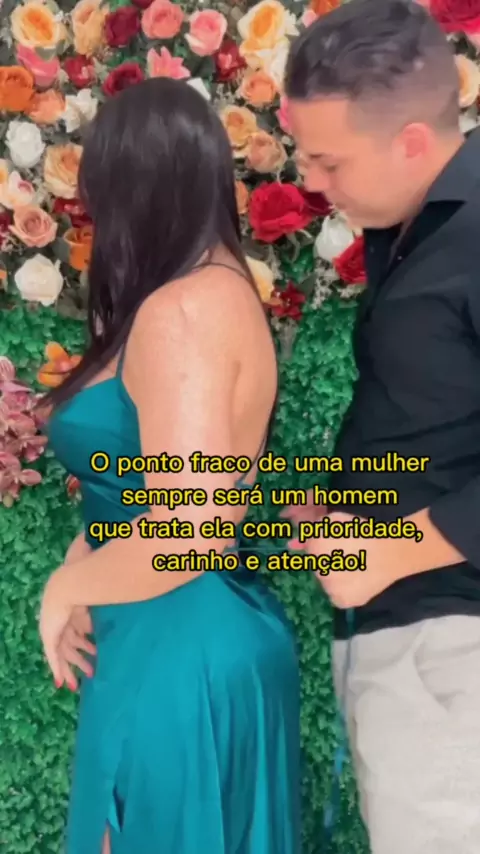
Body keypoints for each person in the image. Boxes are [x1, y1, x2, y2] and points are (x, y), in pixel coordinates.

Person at [38, 77, 301, 854]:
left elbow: (189, 528)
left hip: (180, 643)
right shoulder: (211, 295)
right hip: (175, 633)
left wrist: (65, 588)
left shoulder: (184, 309)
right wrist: (87, 555)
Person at [283, 1, 480, 852]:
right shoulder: (416, 228)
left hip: (454, 654)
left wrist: (394, 550)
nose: (310, 180)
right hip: (418, 645)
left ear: (410, 140)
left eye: (328, 160)